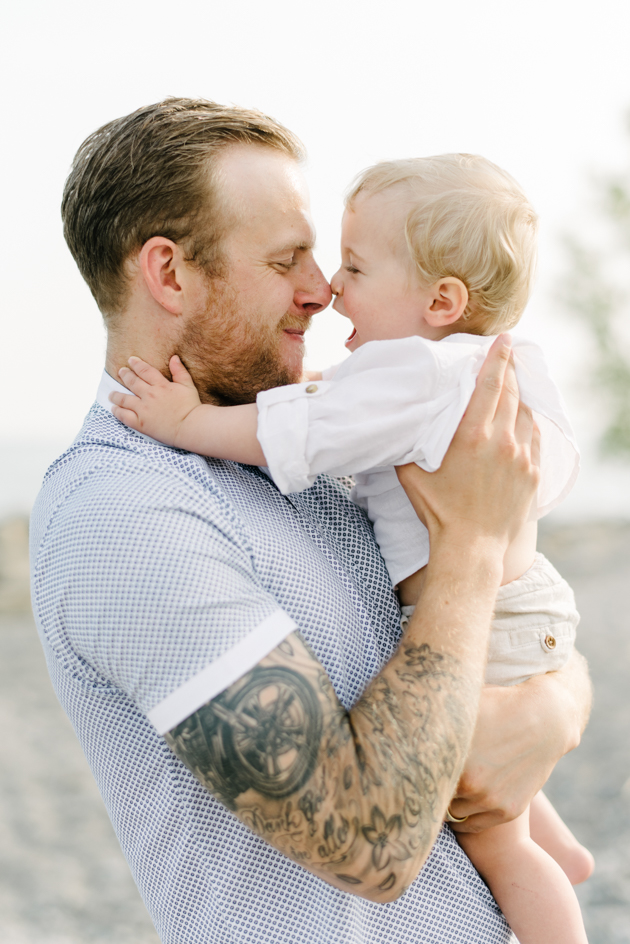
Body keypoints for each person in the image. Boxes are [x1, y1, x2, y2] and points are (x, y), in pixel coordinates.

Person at [30, 98, 591, 944]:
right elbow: (370, 843)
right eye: (288, 259)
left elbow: (502, 638)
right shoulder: (125, 515)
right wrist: (473, 547)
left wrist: (557, 705)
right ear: (169, 274)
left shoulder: (315, 462)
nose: (322, 292)